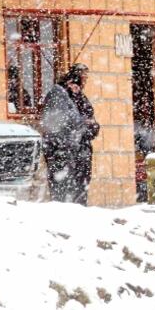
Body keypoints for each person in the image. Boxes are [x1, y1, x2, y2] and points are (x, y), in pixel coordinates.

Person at [41, 63, 100, 204]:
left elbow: (91, 123)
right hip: (64, 152)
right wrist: (84, 125)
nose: (84, 82)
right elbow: (61, 125)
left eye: (86, 78)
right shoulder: (59, 95)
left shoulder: (79, 97)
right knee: (63, 192)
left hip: (81, 151)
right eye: (83, 77)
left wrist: (91, 126)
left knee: (80, 191)